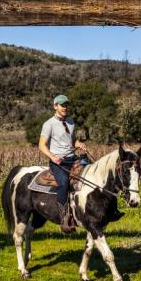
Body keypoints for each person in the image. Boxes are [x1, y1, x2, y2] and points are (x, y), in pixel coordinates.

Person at [38, 94, 87, 233]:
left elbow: (71, 142)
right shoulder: (48, 124)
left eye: (66, 105)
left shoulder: (71, 121)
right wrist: (53, 157)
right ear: (55, 106)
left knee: (90, 174)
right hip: (58, 162)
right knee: (64, 183)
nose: (65, 107)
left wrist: (79, 144)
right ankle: (64, 218)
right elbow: (41, 145)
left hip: (73, 158)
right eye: (62, 105)